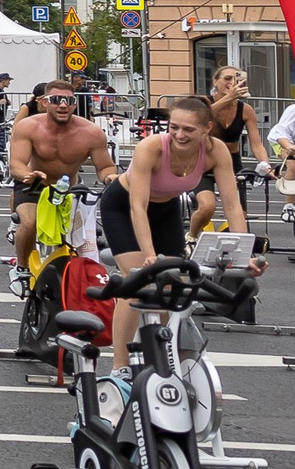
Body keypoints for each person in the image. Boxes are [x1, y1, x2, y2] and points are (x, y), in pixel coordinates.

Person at [100, 95, 264, 376]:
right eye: (173, 127)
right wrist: (150, 255)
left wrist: (243, 255)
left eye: (188, 129)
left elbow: (232, 205)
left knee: (171, 286)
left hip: (166, 209)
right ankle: (120, 365)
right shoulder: (152, 147)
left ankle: (158, 358)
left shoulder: (217, 152)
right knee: (137, 279)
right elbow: (137, 207)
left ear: (206, 129)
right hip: (124, 207)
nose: (179, 134)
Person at [5, 80, 121, 269]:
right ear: (44, 102)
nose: (63, 105)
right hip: (34, 184)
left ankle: (66, 275)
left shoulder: (91, 132)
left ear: (75, 104)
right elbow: (16, 164)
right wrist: (27, 175)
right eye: (57, 99)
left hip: (68, 188)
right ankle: (22, 267)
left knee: (70, 237)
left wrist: (110, 178)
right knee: (30, 223)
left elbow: (105, 167)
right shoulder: (27, 126)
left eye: (69, 101)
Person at [191, 65, 272, 236]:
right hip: (204, 160)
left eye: (237, 78)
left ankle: (233, 248)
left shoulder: (245, 110)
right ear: (216, 81)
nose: (232, 82)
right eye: (227, 78)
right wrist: (228, 98)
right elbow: (198, 118)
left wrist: (265, 164)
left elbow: (256, 143)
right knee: (207, 207)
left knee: (239, 214)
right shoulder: (204, 103)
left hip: (231, 161)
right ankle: (191, 235)